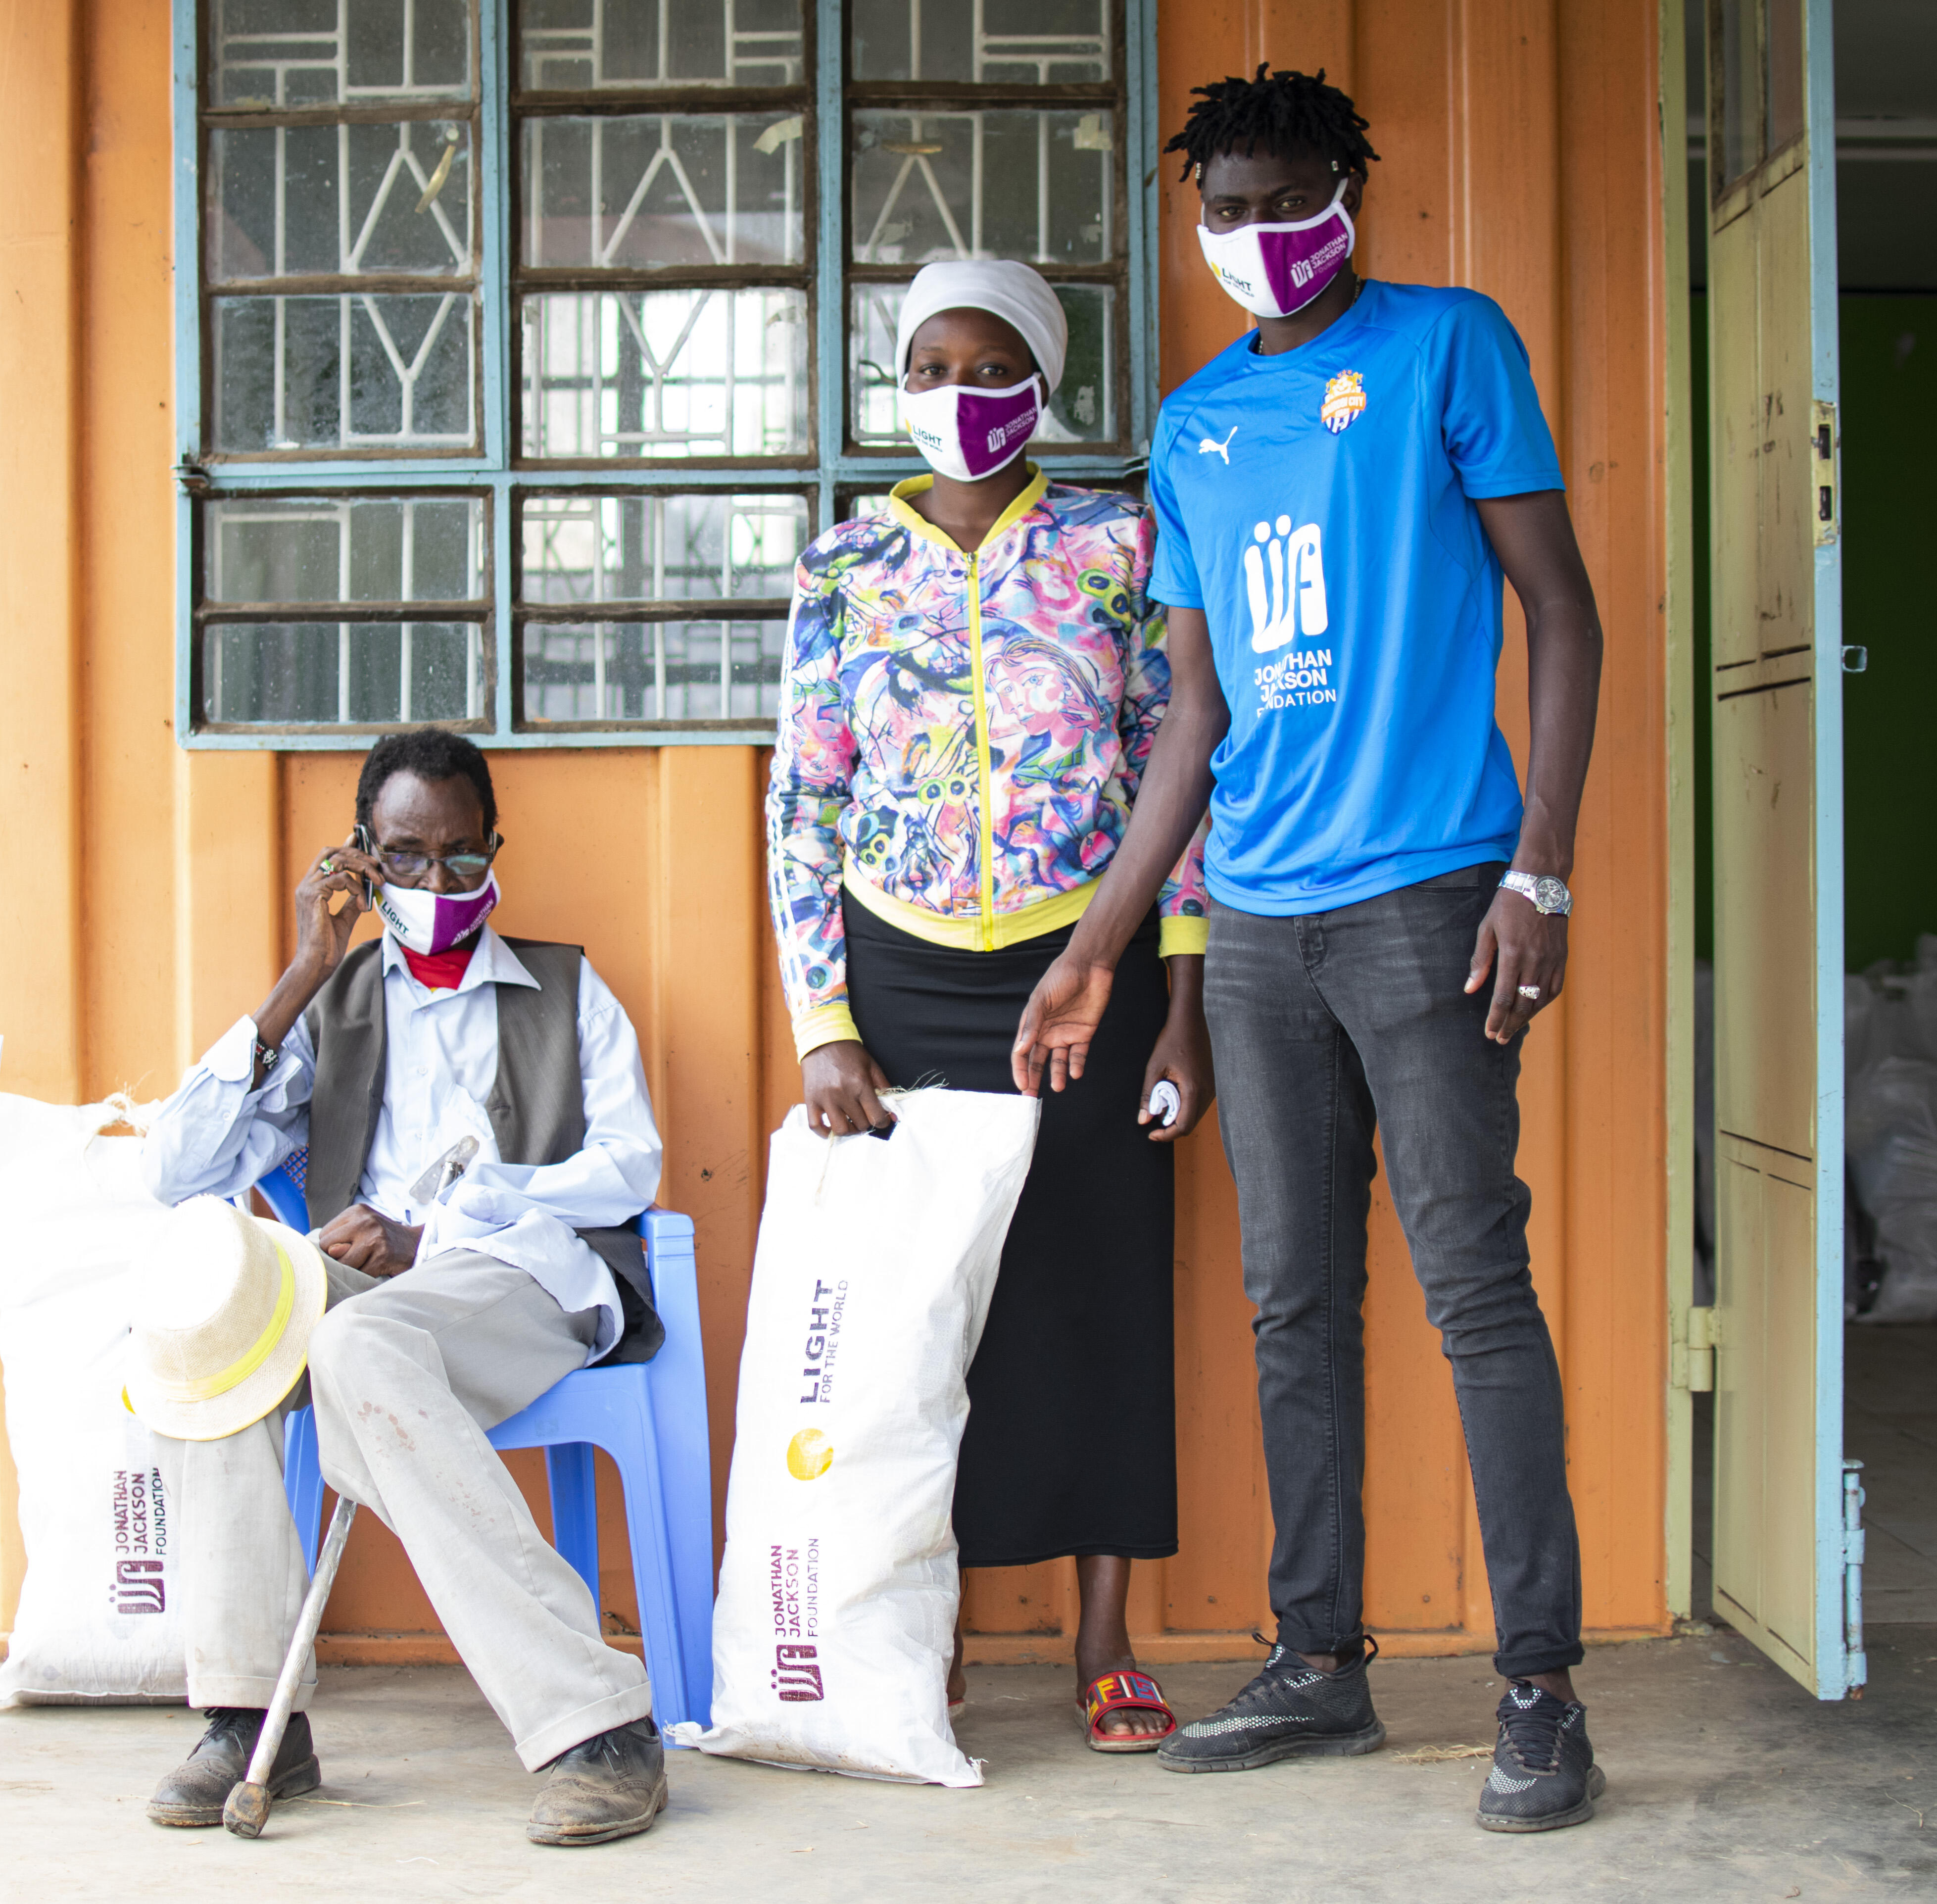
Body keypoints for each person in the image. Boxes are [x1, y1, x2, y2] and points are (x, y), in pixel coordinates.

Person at [1011, 68, 1608, 1832]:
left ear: (1348, 191)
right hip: (1258, 921)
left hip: (1431, 895)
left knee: (1471, 1284)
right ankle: (1317, 1659)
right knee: (1289, 1299)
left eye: (1287, 202)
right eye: (1226, 212)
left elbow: (1559, 611)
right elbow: (1188, 720)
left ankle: (1538, 1684)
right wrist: (1101, 948)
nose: (1257, 239)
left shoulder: (1448, 346)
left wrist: (1542, 873)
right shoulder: (1193, 425)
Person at [768, 258, 1212, 1752]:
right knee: (917, 1323)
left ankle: (1103, 1636)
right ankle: (928, 1628)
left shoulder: (1114, 548)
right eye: (928, 371)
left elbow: (1181, 769)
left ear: (1041, 380)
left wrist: (1182, 996)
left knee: (1095, 1292)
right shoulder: (842, 567)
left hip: (1089, 961)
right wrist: (823, 1021)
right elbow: (801, 807)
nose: (957, 399)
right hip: (902, 977)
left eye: (988, 367)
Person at [140, 728, 671, 1847]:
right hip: (359, 1289)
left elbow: (628, 1165)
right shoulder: (329, 1009)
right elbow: (178, 1169)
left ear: (494, 851)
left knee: (357, 1349)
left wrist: (441, 1229)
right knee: (216, 1337)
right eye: (406, 856)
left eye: (463, 857)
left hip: (517, 1278)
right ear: (361, 862)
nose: (437, 883)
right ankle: (254, 1723)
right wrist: (299, 973)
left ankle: (600, 1722)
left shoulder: (566, 989)